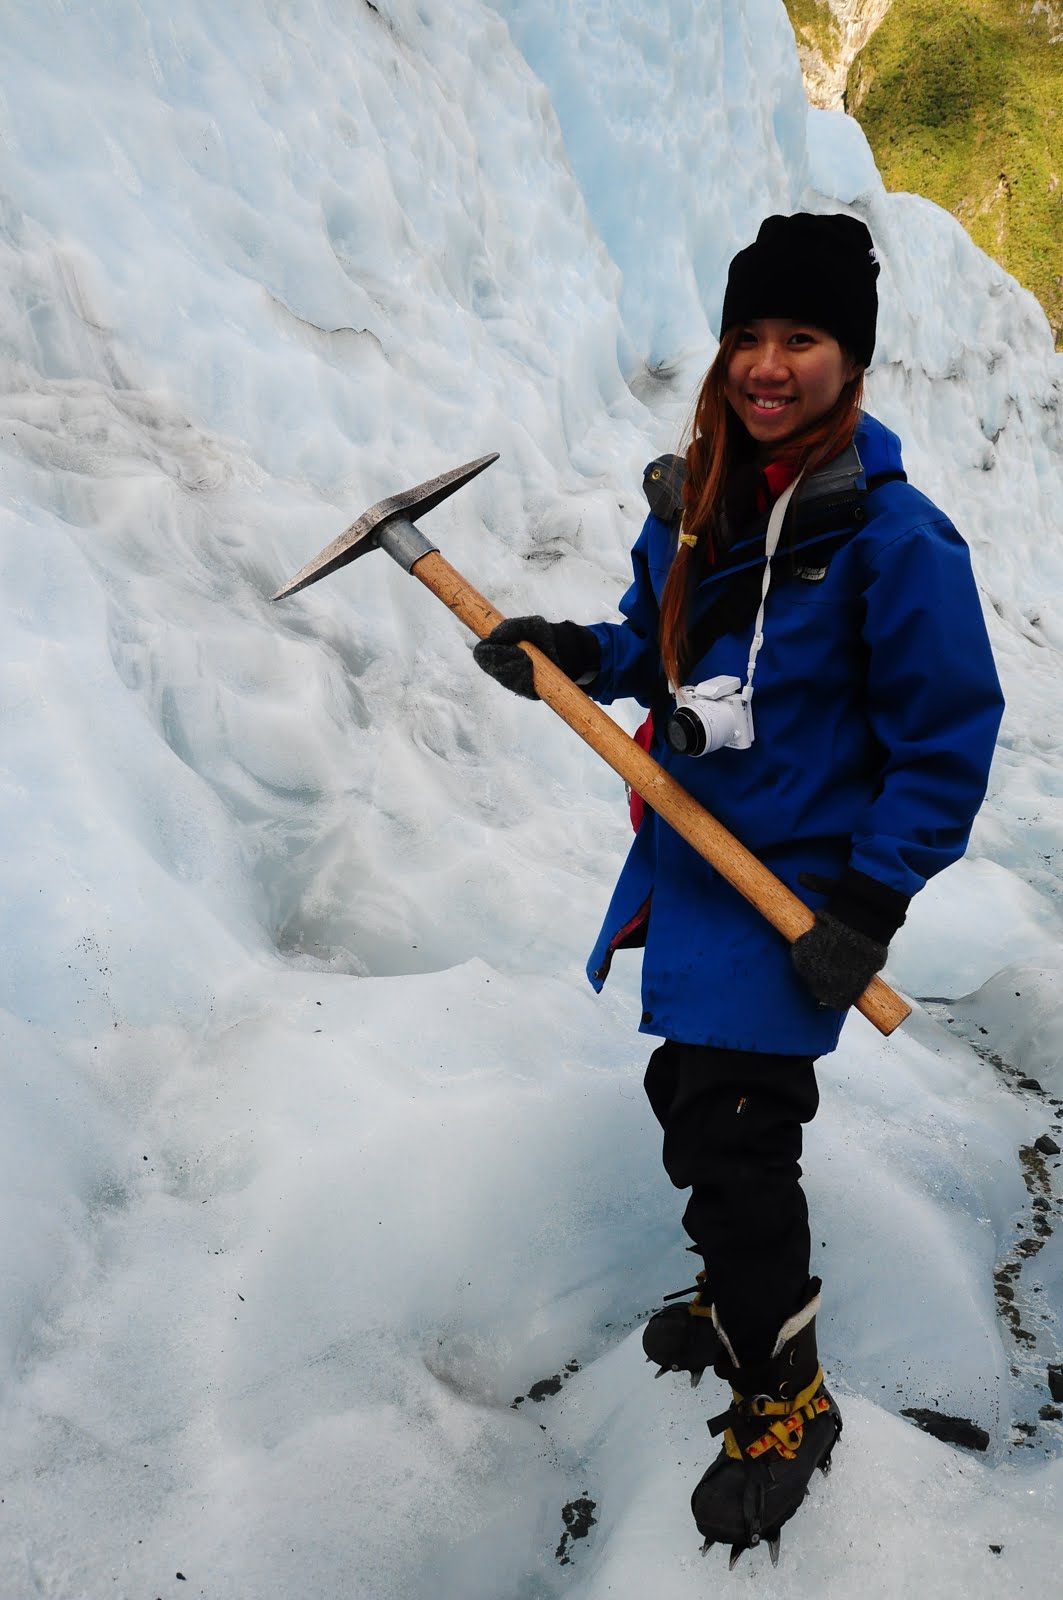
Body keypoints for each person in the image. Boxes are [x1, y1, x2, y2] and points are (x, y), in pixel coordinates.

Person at [473, 213, 1004, 1565]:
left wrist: (870, 908)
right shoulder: (706, 503)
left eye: (802, 338)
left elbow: (944, 741)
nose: (768, 363)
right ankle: (737, 1301)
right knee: (692, 1102)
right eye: (749, 335)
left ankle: (789, 1398)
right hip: (701, 865)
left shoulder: (894, 540)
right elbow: (663, 648)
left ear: (852, 359)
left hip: (799, 892)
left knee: (736, 1133)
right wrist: (572, 650)